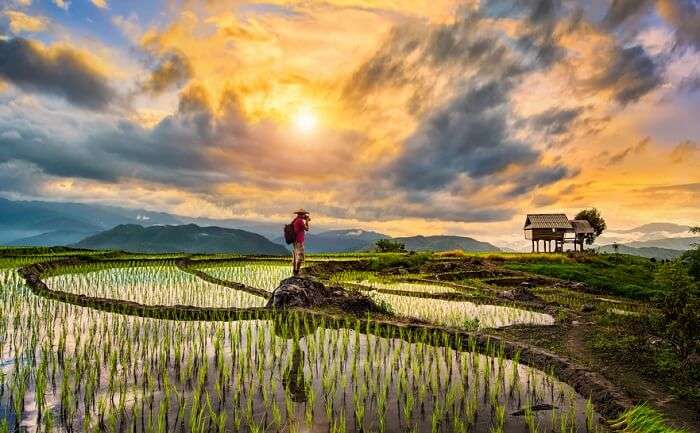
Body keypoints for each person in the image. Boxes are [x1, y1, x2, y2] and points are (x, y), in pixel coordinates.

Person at [292, 209, 310, 276]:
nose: (305, 215)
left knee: (296, 256)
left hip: (295, 240)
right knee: (300, 256)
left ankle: (294, 271)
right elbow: (307, 228)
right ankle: (297, 272)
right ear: (301, 214)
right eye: (304, 214)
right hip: (299, 240)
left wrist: (306, 220)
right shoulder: (300, 221)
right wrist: (307, 221)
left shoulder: (295, 220)